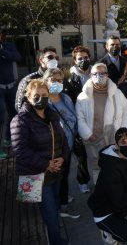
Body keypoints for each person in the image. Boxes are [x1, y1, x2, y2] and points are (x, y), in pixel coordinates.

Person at [11, 79, 69, 245]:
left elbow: (63, 139)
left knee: (53, 211)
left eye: (44, 95)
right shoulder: (20, 120)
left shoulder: (52, 115)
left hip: (55, 173)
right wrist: (46, 164)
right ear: (28, 97)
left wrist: (63, 157)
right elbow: (20, 151)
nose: (41, 98)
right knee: (50, 215)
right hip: (36, 176)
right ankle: (56, 241)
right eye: (36, 95)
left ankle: (53, 238)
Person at [76, 63, 127, 185]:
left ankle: (116, 189)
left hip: (114, 137)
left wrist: (123, 130)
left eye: (102, 73)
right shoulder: (82, 97)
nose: (99, 76)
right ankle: (99, 190)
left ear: (107, 75)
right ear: (90, 75)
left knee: (116, 164)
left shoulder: (117, 93)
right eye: (95, 73)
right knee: (96, 166)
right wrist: (88, 134)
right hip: (94, 138)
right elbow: (80, 118)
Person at [43, 68, 80, 219]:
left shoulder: (66, 98)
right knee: (53, 179)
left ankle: (62, 204)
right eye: (53, 80)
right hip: (53, 149)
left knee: (64, 176)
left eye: (60, 80)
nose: (57, 83)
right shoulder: (44, 102)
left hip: (68, 145)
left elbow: (74, 119)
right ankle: (57, 206)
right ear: (45, 82)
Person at [63, 45, 92, 194]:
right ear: (74, 60)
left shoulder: (95, 73)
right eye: (80, 58)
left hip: (95, 117)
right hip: (78, 119)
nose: (83, 60)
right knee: (81, 154)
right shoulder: (68, 78)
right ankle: (83, 181)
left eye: (86, 57)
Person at [15, 47, 58, 112]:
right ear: (41, 60)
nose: (54, 60)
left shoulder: (59, 78)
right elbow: (19, 106)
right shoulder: (29, 79)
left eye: (56, 58)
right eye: (50, 57)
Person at [0, 29, 21, 158]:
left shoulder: (8, 45)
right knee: (1, 116)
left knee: (13, 113)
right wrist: (7, 56)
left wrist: (2, 52)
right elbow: (11, 57)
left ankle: (8, 138)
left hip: (11, 85)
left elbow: (17, 57)